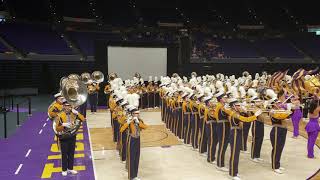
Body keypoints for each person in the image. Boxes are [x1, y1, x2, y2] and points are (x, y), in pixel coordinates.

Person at [223, 98, 261, 180]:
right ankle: (233, 174)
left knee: (236, 153)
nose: (239, 106)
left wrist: (246, 111)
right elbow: (246, 120)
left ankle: (233, 172)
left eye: (239, 105)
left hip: (238, 133)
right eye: (237, 105)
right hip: (235, 133)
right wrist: (255, 115)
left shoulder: (237, 113)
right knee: (235, 153)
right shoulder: (234, 114)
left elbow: (246, 117)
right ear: (233, 106)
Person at [54, 102, 85, 176]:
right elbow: (57, 129)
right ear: (63, 106)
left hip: (72, 136)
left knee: (71, 153)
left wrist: (77, 113)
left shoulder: (73, 114)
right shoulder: (59, 115)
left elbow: (83, 119)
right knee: (64, 154)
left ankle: (70, 168)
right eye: (66, 106)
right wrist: (63, 125)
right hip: (64, 137)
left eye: (69, 106)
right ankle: (64, 169)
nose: (67, 108)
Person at [120, 106, 147, 180]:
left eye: (138, 113)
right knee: (131, 158)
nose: (137, 115)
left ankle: (135, 175)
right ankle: (131, 176)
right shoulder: (129, 120)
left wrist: (138, 123)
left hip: (138, 139)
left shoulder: (139, 120)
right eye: (136, 113)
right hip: (131, 140)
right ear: (132, 114)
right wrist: (128, 123)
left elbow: (145, 127)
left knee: (137, 157)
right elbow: (121, 130)